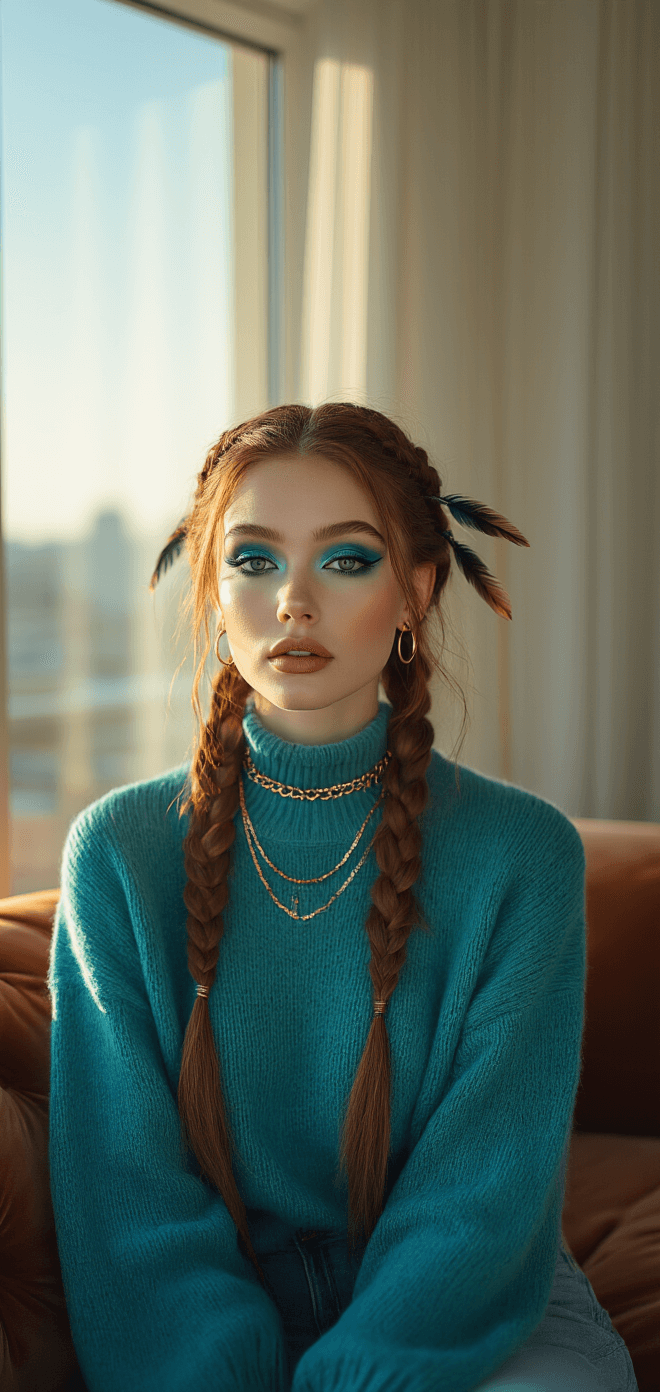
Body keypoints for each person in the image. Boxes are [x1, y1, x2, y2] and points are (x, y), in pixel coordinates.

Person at [47, 402, 638, 1392]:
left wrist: (363, 1373)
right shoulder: (117, 853)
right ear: (212, 591)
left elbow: (483, 1186)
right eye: (253, 560)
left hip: (472, 1308)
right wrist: (220, 1367)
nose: (293, 601)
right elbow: (125, 1190)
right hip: (214, 1315)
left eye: (347, 559)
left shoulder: (524, 856)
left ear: (415, 590)